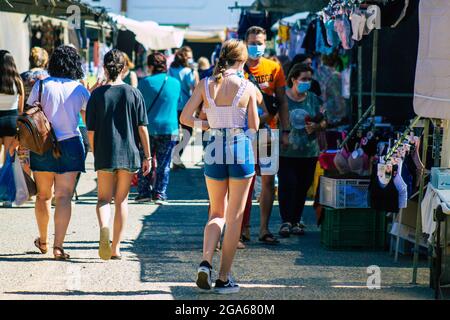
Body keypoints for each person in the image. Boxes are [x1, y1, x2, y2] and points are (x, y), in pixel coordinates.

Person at [180, 39, 259, 293]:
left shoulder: (206, 84)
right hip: (238, 146)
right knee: (234, 217)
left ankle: (205, 262)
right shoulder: (247, 86)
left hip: (213, 145)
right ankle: (224, 278)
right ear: (243, 60)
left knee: (216, 213)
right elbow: (254, 127)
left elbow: (185, 117)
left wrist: (208, 126)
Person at [86, 49, 151, 261]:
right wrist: (148, 156)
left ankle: (104, 227)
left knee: (103, 199)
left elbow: (91, 131)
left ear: (105, 68)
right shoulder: (134, 93)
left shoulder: (96, 95)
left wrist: (96, 152)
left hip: (105, 151)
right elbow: (142, 128)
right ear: (124, 68)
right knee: (121, 201)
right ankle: (116, 248)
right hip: (129, 153)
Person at [28, 45, 90, 260]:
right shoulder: (80, 89)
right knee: (64, 197)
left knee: (43, 196)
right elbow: (87, 120)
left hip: (43, 144)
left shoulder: (42, 85)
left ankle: (43, 240)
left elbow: (29, 114)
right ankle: (58, 247)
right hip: (71, 143)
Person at [241, 26, 288, 246]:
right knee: (244, 182)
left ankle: (264, 229)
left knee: (268, 181)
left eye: (260, 42)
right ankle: (242, 228)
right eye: (252, 42)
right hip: (243, 133)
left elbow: (283, 100)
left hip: (269, 133)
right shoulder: (237, 67)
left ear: (266, 43)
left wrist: (286, 129)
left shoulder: (274, 68)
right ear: (244, 42)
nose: (256, 46)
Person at [278, 63, 326, 237]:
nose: (307, 82)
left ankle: (296, 221)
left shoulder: (314, 99)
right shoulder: (283, 98)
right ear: (293, 79)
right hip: (286, 151)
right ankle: (286, 221)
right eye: (303, 79)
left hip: (308, 152)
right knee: (287, 185)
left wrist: (316, 126)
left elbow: (324, 121)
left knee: (302, 187)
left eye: (309, 79)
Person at [136, 52, 180, 204]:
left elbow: (138, 106)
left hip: (147, 128)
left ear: (150, 66)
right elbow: (178, 103)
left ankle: (143, 192)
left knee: (145, 159)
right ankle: (160, 193)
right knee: (164, 163)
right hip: (169, 128)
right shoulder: (176, 83)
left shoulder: (144, 83)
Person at [20, 47, 50, 177]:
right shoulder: (49, 77)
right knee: (43, 153)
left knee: (24, 154)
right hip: (43, 121)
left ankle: (27, 188)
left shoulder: (22, 76)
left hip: (26, 120)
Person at [0, 50, 25, 207]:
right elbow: (21, 109)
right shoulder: (18, 81)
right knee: (9, 160)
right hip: (11, 121)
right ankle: (8, 196)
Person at [169, 46, 199, 169]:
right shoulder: (188, 71)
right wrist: (195, 73)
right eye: (190, 57)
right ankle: (176, 155)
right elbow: (195, 88)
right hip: (185, 106)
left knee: (175, 133)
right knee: (188, 132)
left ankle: (174, 157)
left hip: (172, 105)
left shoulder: (170, 69)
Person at [316, 51, 348, 126]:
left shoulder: (315, 73)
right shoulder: (336, 76)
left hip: (317, 114)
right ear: (336, 61)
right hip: (331, 117)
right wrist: (342, 115)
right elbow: (338, 98)